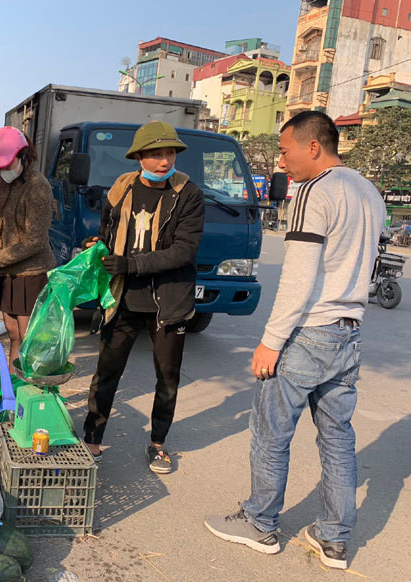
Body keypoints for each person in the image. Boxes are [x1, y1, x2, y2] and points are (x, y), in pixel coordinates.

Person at [204, 112, 386, 569]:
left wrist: (270, 340)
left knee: (270, 433)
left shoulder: (315, 191)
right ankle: (334, 539)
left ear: (313, 147)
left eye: (285, 152)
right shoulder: (369, 191)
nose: (281, 162)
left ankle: (260, 524)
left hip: (308, 332)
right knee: (338, 437)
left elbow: (299, 276)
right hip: (348, 332)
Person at [82, 121, 204, 473]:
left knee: (167, 376)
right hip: (122, 298)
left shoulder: (189, 194)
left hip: (169, 302)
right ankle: (92, 436)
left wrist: (129, 264)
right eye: (155, 153)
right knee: (106, 372)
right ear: (139, 157)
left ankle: (158, 443)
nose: (164, 160)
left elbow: (184, 251)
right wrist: (97, 249)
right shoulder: (120, 189)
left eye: (169, 152)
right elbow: (108, 233)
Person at [0, 127, 56, 365]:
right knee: (13, 333)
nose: (3, 170)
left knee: (28, 337)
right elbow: (4, 225)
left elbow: (34, 241)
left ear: (23, 156)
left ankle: (31, 388)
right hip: (8, 271)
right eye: (0, 166)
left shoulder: (38, 186)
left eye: (7, 164)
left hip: (31, 274)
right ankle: (14, 387)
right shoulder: (7, 183)